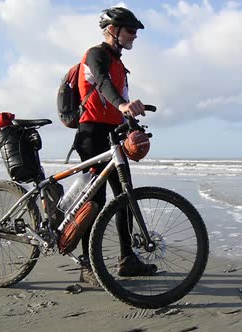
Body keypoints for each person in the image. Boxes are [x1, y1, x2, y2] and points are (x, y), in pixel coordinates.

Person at [74, 7, 157, 285]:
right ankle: (86, 265)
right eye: (130, 30)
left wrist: (131, 119)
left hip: (112, 135)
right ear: (113, 30)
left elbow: (120, 99)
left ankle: (127, 260)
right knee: (94, 202)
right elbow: (102, 85)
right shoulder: (96, 55)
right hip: (91, 134)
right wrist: (122, 103)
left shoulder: (120, 64)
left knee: (125, 196)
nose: (135, 36)